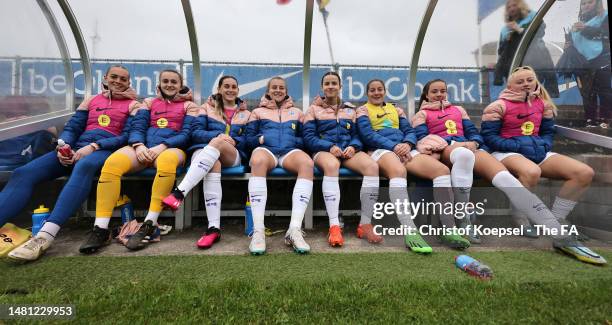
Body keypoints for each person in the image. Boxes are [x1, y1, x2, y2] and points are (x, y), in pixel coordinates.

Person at [5, 65, 139, 261]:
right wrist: (63, 145)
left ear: (129, 83)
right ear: (105, 78)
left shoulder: (134, 105)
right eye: (114, 77)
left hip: (105, 151)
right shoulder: (92, 100)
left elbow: (127, 136)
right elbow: (73, 126)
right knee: (23, 173)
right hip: (75, 149)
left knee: (84, 166)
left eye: (123, 79)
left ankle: (45, 236)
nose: (118, 81)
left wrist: (94, 146)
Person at [481, 66, 606, 265]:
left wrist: (542, 145)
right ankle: (520, 219)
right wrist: (518, 145)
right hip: (505, 153)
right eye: (520, 82)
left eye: (529, 80)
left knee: (584, 172)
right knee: (531, 171)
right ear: (510, 85)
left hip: (538, 151)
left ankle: (555, 220)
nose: (525, 84)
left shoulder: (544, 104)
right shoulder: (498, 106)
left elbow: (547, 133)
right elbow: (489, 138)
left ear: (536, 81)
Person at [79, 69, 198, 254]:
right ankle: (100, 229)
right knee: (112, 164)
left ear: (180, 85)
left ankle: (150, 223)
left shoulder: (189, 106)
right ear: (159, 83)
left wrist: (162, 146)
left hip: (172, 149)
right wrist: (139, 145)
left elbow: (187, 134)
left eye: (174, 82)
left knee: (167, 161)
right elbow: (137, 127)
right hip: (143, 148)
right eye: (165, 81)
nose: (169, 84)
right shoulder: (148, 103)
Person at [356, 79, 464, 253]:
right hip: (379, 150)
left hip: (404, 149)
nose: (376, 93)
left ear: (385, 91)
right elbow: (367, 135)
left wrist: (407, 143)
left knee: (442, 171)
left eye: (380, 89)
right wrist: (394, 146)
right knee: (398, 171)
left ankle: (449, 228)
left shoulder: (396, 109)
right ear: (367, 93)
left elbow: (409, 131)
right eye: (372, 90)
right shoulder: (362, 110)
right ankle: (410, 230)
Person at [162, 76, 250, 249]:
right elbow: (195, 133)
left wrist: (234, 140)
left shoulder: (246, 113)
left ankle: (179, 193)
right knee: (213, 163)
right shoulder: (206, 108)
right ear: (219, 89)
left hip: (231, 154)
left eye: (233, 87)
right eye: (226, 86)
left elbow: (249, 139)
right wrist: (216, 137)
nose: (230, 89)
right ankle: (213, 228)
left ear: (238, 91)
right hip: (204, 151)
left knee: (218, 144)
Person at [303, 71, 380, 247]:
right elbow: (309, 138)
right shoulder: (313, 109)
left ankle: (365, 224)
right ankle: (334, 226)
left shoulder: (350, 109)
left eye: (334, 83)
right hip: (324, 150)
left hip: (347, 151)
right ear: (322, 87)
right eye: (327, 83)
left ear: (340, 87)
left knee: (372, 167)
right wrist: (329, 146)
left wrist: (353, 146)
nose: (331, 87)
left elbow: (358, 135)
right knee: (331, 165)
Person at [245, 77, 314, 255]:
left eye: (281, 88)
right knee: (258, 161)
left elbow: (304, 138)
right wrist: (261, 139)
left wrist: (293, 141)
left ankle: (294, 230)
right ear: (268, 91)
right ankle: (258, 231)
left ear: (286, 90)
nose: (278, 90)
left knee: (307, 163)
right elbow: (248, 140)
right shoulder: (258, 111)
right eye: (274, 87)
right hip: (266, 151)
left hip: (288, 152)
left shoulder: (297, 112)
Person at [494, 0, 559, 97]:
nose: (511, 8)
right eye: (509, 7)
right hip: (514, 67)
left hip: (535, 62)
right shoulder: (505, 29)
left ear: (521, 5)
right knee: (519, 98)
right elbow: (501, 51)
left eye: (514, 5)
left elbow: (540, 33)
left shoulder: (533, 17)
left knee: (534, 94)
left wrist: (519, 30)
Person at [570, 0, 610, 128]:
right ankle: (590, 120)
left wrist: (586, 29)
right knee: (588, 92)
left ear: (598, 3)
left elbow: (605, 35)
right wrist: (568, 45)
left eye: (590, 2)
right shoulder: (577, 23)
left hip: (601, 59)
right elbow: (576, 43)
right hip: (583, 62)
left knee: (604, 91)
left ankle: (606, 119)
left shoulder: (605, 16)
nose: (586, 5)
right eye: (583, 3)